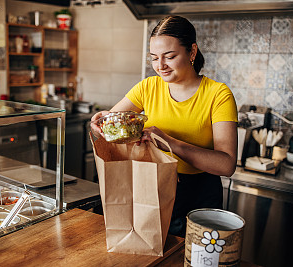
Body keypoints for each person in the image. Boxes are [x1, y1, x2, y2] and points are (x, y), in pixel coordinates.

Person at [90, 15, 238, 237]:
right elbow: (109, 125)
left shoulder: (218, 94)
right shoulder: (147, 87)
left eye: (169, 56)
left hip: (198, 193)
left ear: (192, 52)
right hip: (151, 186)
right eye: (154, 58)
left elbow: (226, 165)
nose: (160, 66)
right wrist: (101, 124)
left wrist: (168, 141)